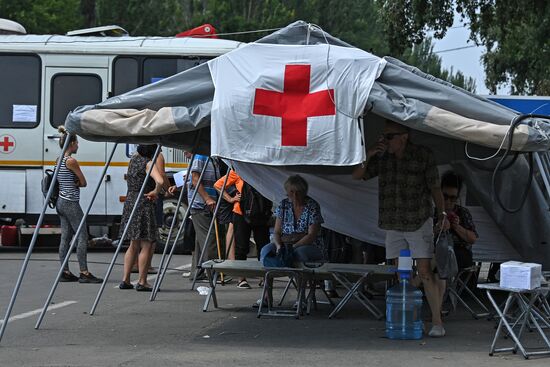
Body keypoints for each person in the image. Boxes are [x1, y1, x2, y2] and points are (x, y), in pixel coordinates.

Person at [352, 119, 447, 337]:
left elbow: (435, 187)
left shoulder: (423, 155)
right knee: (401, 273)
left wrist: (442, 214)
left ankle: (437, 321)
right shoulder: (382, 157)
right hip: (393, 224)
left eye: (389, 136)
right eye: (383, 136)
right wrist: (369, 155)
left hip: (417, 220)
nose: (385, 140)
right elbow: (357, 175)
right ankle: (408, 316)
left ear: (404, 136)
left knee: (424, 271)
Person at [56, 125, 102, 284]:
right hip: (71, 202)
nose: (78, 145)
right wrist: (77, 182)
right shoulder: (71, 161)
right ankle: (84, 272)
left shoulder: (58, 159)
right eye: (77, 142)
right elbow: (83, 182)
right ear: (71, 144)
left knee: (65, 237)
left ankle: (65, 271)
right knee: (82, 235)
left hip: (60, 201)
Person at [118, 144, 164, 291]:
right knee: (147, 243)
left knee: (133, 243)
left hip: (131, 200)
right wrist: (155, 191)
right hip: (143, 201)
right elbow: (160, 180)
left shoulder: (133, 160)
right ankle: (142, 281)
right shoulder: (148, 163)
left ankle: (125, 279)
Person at [215, 171, 271, 289]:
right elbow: (218, 185)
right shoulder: (238, 171)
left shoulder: (265, 171)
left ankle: (263, 277)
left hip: (260, 213)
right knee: (242, 247)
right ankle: (241, 278)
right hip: (241, 213)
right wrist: (230, 199)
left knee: (263, 246)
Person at [260, 175, 325, 264]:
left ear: (304, 192)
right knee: (266, 250)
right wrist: (278, 246)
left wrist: (293, 247)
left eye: (298, 192)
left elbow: (311, 235)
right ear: (287, 192)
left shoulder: (312, 206)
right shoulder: (283, 205)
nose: (295, 195)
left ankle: (300, 277)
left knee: (299, 253)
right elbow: (277, 232)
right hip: (285, 243)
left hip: (309, 244)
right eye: (292, 191)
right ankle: (268, 276)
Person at [186, 154, 220, 280]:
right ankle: (212, 272)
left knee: (201, 240)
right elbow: (195, 179)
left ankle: (198, 272)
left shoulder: (212, 158)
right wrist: (207, 198)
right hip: (201, 204)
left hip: (207, 203)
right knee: (209, 239)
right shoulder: (200, 157)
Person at [439, 171, 478, 270]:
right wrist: (438, 228)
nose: (448, 202)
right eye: (445, 197)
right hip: (437, 252)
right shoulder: (433, 212)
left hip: (459, 254)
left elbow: (473, 239)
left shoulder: (463, 212)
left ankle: (415, 282)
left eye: (452, 198)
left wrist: (457, 227)